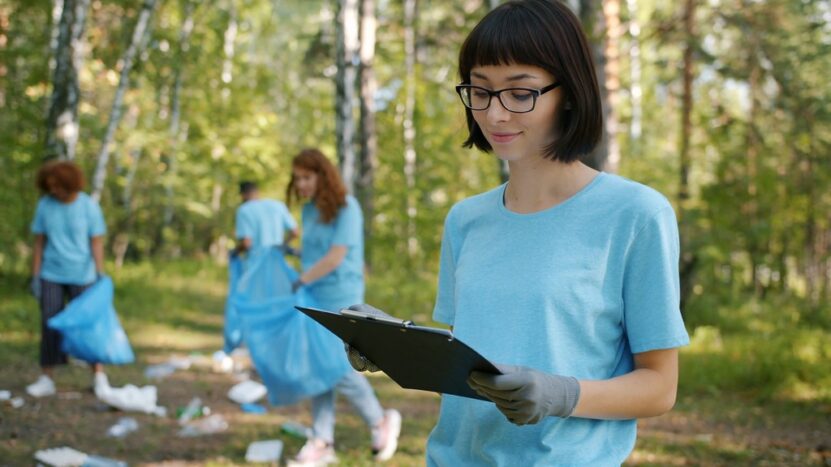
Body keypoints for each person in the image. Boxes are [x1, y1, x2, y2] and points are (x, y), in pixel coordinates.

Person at [348, 1, 690, 465]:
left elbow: (659, 387)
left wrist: (561, 394)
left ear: (568, 91)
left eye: (520, 93)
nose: (495, 115)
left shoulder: (636, 214)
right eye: (481, 91)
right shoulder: (464, 220)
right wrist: (391, 342)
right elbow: (468, 365)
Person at [284, 148, 401, 467]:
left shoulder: (347, 208)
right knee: (316, 367)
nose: (302, 184)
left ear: (324, 176)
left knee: (332, 367)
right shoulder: (309, 212)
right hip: (312, 295)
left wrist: (299, 281)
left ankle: (381, 421)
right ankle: (322, 440)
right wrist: (288, 255)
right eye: (297, 178)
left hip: (341, 297)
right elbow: (313, 253)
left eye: (307, 177)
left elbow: (336, 256)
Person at [27, 160, 109, 398]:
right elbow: (39, 243)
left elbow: (96, 241)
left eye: (58, 186)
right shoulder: (45, 206)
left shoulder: (88, 207)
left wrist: (99, 273)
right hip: (51, 274)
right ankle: (47, 378)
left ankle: (99, 377)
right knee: (50, 324)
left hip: (83, 275)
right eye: (49, 186)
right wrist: (35, 276)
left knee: (87, 325)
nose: (54, 191)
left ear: (70, 184)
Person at [233, 180, 298, 256]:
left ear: (243, 195)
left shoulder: (244, 210)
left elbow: (246, 243)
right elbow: (295, 232)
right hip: (276, 259)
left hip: (255, 262)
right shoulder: (278, 205)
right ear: (257, 192)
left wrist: (235, 252)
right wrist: (283, 245)